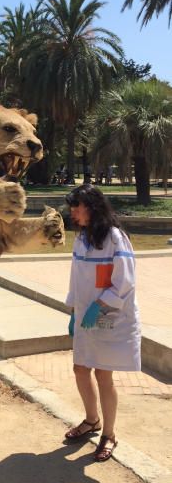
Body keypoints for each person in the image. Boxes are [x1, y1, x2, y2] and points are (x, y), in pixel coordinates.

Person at [63, 185, 141, 462]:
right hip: (86, 317)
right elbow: (76, 277)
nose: (72, 211)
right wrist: (74, 309)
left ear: (93, 208)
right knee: (80, 369)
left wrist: (100, 305)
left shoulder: (115, 238)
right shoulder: (81, 238)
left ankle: (108, 434)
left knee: (103, 375)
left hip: (110, 318)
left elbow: (125, 281)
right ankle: (91, 420)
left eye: (77, 206)